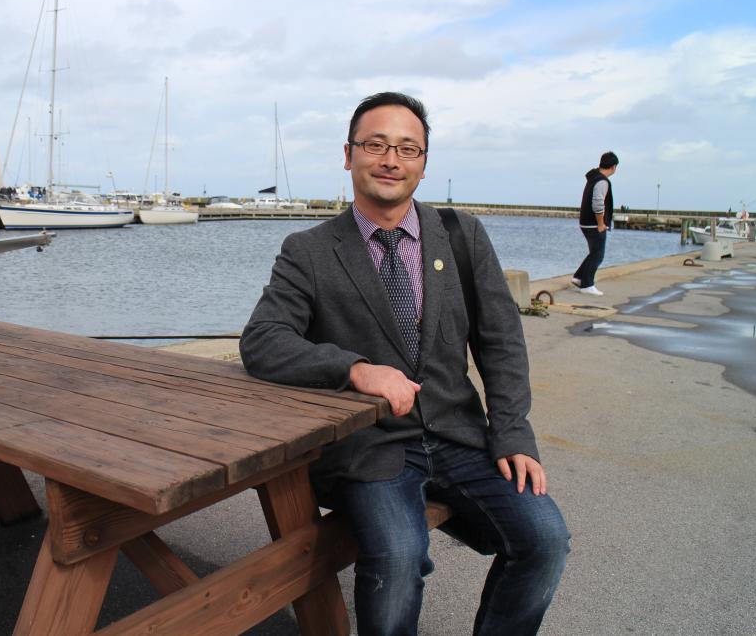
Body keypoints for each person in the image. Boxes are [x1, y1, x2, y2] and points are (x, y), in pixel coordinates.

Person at [240, 92, 569, 636]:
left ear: (423, 163)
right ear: (348, 155)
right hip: (372, 446)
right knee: (397, 555)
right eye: (376, 145)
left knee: (545, 538)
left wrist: (513, 433)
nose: (391, 160)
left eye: (407, 148)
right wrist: (355, 369)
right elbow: (263, 341)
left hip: (460, 436)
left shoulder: (461, 236)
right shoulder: (309, 250)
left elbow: (502, 342)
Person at [572, 152, 619, 296]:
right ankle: (587, 285)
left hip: (585, 222)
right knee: (598, 255)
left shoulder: (593, 177)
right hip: (594, 224)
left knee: (594, 253)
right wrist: (601, 223)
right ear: (613, 167)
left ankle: (579, 277)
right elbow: (598, 204)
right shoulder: (602, 181)